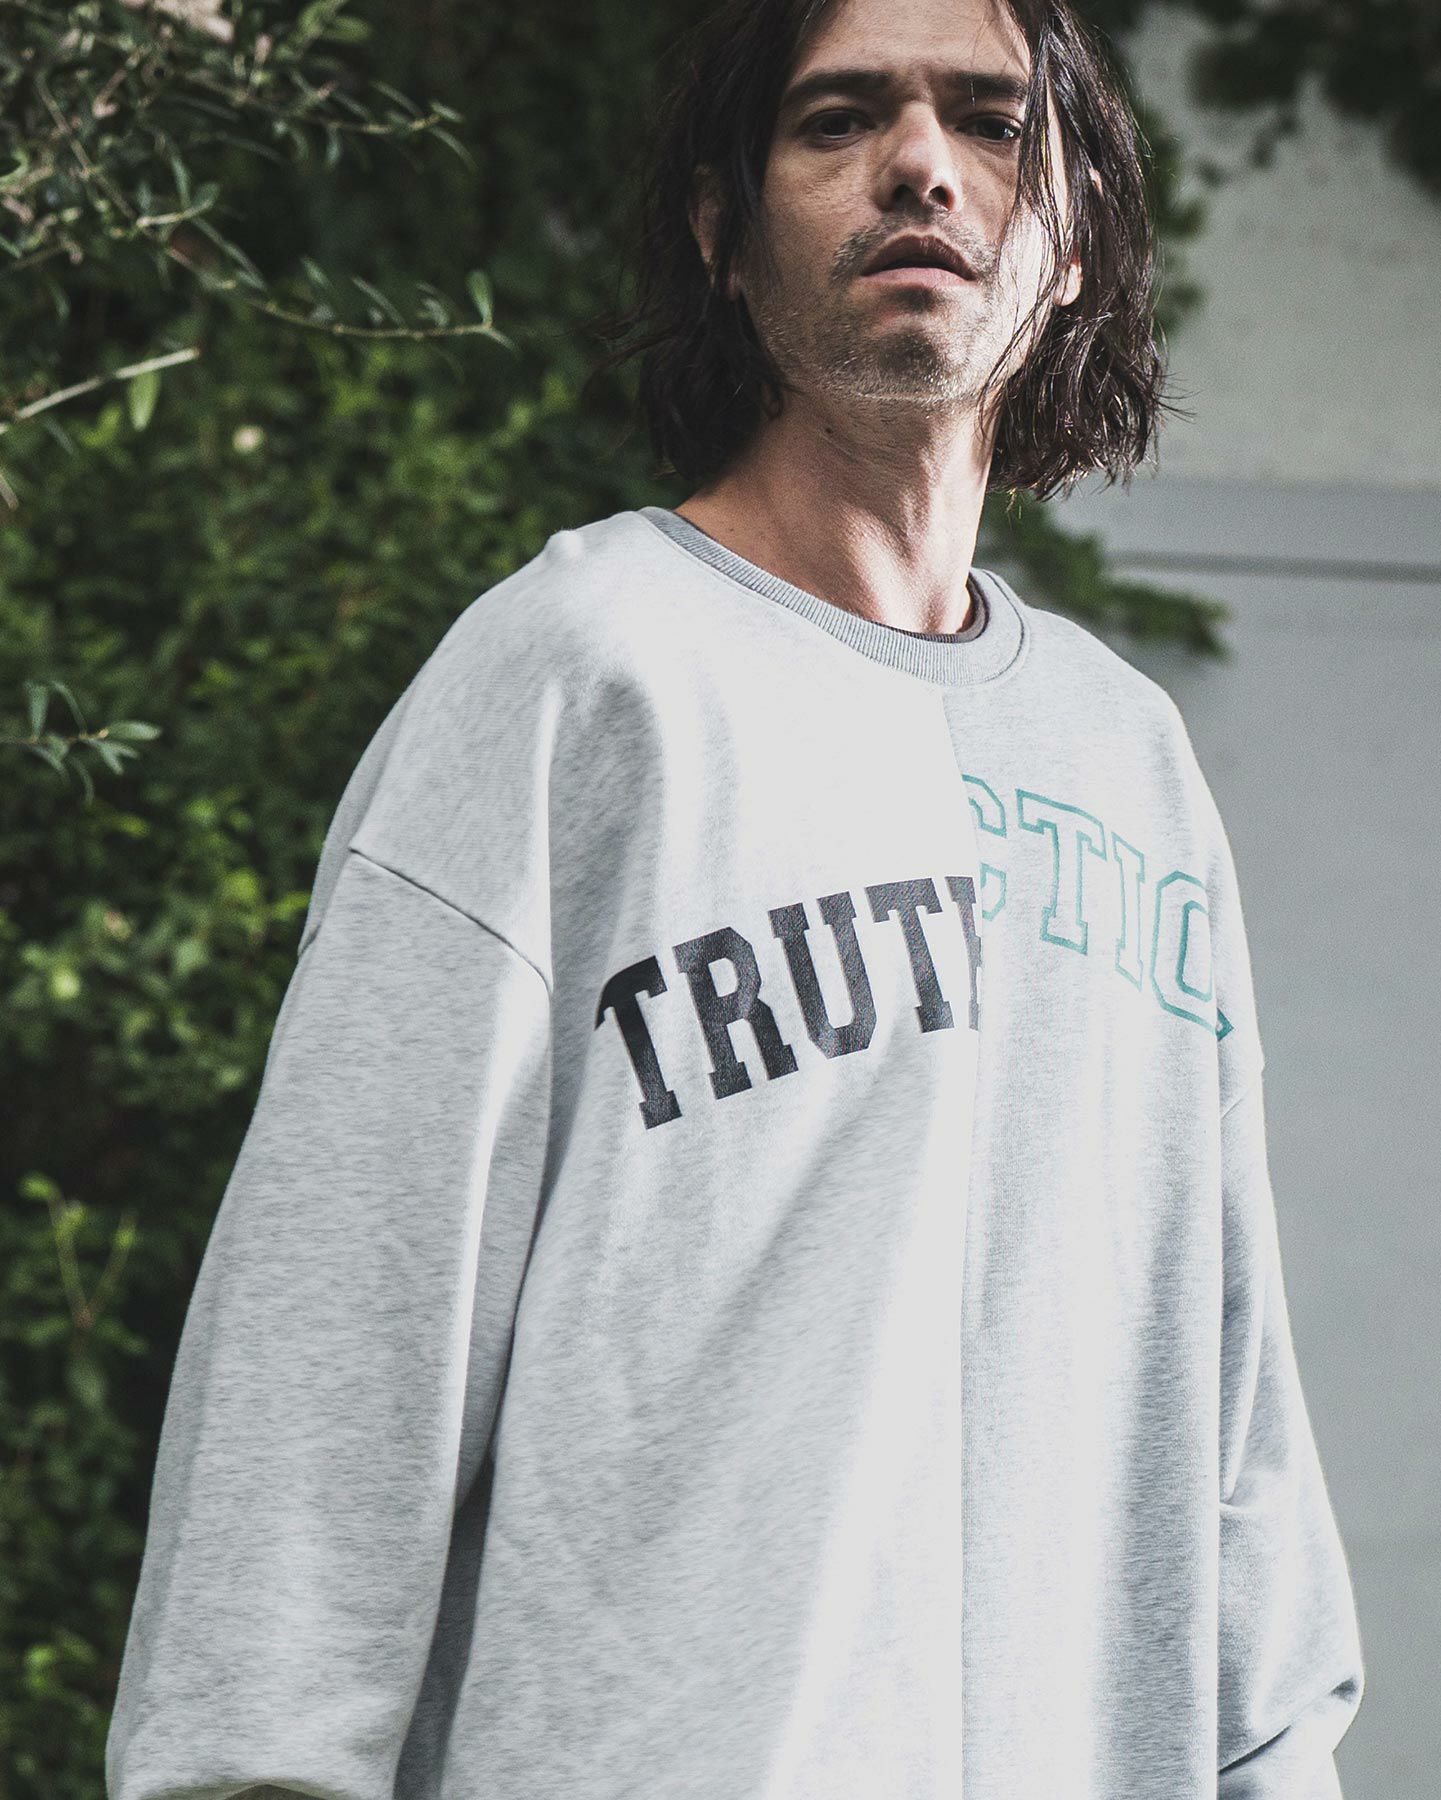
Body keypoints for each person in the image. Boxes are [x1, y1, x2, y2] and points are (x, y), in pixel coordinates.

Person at [105, 0, 1366, 1794]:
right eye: (837, 119)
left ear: (1075, 237)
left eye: (994, 121)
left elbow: (1233, 1430)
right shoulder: (576, 675)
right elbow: (330, 1369)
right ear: (722, 227)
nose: (920, 164)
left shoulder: (1130, 762)